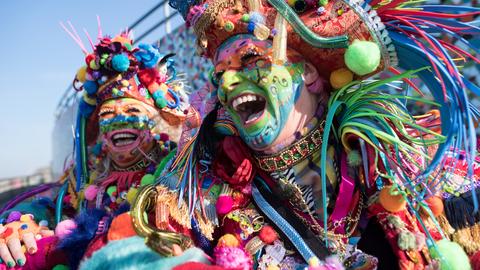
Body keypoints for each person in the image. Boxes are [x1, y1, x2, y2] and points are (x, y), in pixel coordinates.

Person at [133, 0, 480, 269]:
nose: (225, 82)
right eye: (218, 74)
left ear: (309, 71)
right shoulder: (207, 209)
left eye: (252, 59)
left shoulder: (411, 168)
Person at [0, 30, 203, 269]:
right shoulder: (85, 176)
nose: (120, 122)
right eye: (108, 114)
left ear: (154, 120)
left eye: (133, 112)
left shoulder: (178, 166)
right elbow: (47, 203)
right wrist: (19, 222)